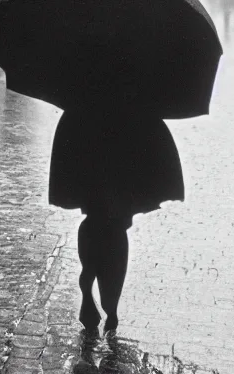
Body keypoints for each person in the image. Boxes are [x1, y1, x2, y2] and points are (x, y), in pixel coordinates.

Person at [49, 103, 184, 335]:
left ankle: (91, 279)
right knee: (115, 233)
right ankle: (111, 307)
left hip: (90, 142)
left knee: (96, 221)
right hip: (122, 156)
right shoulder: (136, 106)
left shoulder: (80, 106)